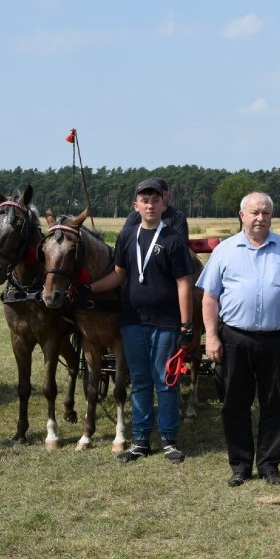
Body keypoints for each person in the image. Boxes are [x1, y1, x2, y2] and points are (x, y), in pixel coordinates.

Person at [197, 192, 280, 487]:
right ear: (242, 215)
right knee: (234, 403)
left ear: (272, 217)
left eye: (265, 213)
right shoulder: (224, 250)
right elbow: (210, 297)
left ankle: (270, 464)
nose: (260, 218)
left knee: (275, 403)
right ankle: (240, 465)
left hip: (276, 340)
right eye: (254, 213)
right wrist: (211, 336)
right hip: (235, 338)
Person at [86, 177, 195, 464]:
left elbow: (184, 282)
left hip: (166, 322)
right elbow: (119, 275)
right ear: (136, 206)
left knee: (166, 380)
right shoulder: (126, 236)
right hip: (132, 321)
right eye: (144, 201)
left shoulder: (172, 238)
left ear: (163, 204)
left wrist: (186, 324)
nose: (150, 205)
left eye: (155, 200)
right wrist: (89, 288)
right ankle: (142, 440)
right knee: (141, 382)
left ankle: (170, 440)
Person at [123, 176, 189, 238]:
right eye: (145, 200)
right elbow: (125, 238)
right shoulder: (134, 215)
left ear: (164, 195)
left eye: (155, 196)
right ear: (136, 206)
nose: (150, 206)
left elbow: (179, 244)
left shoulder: (177, 217)